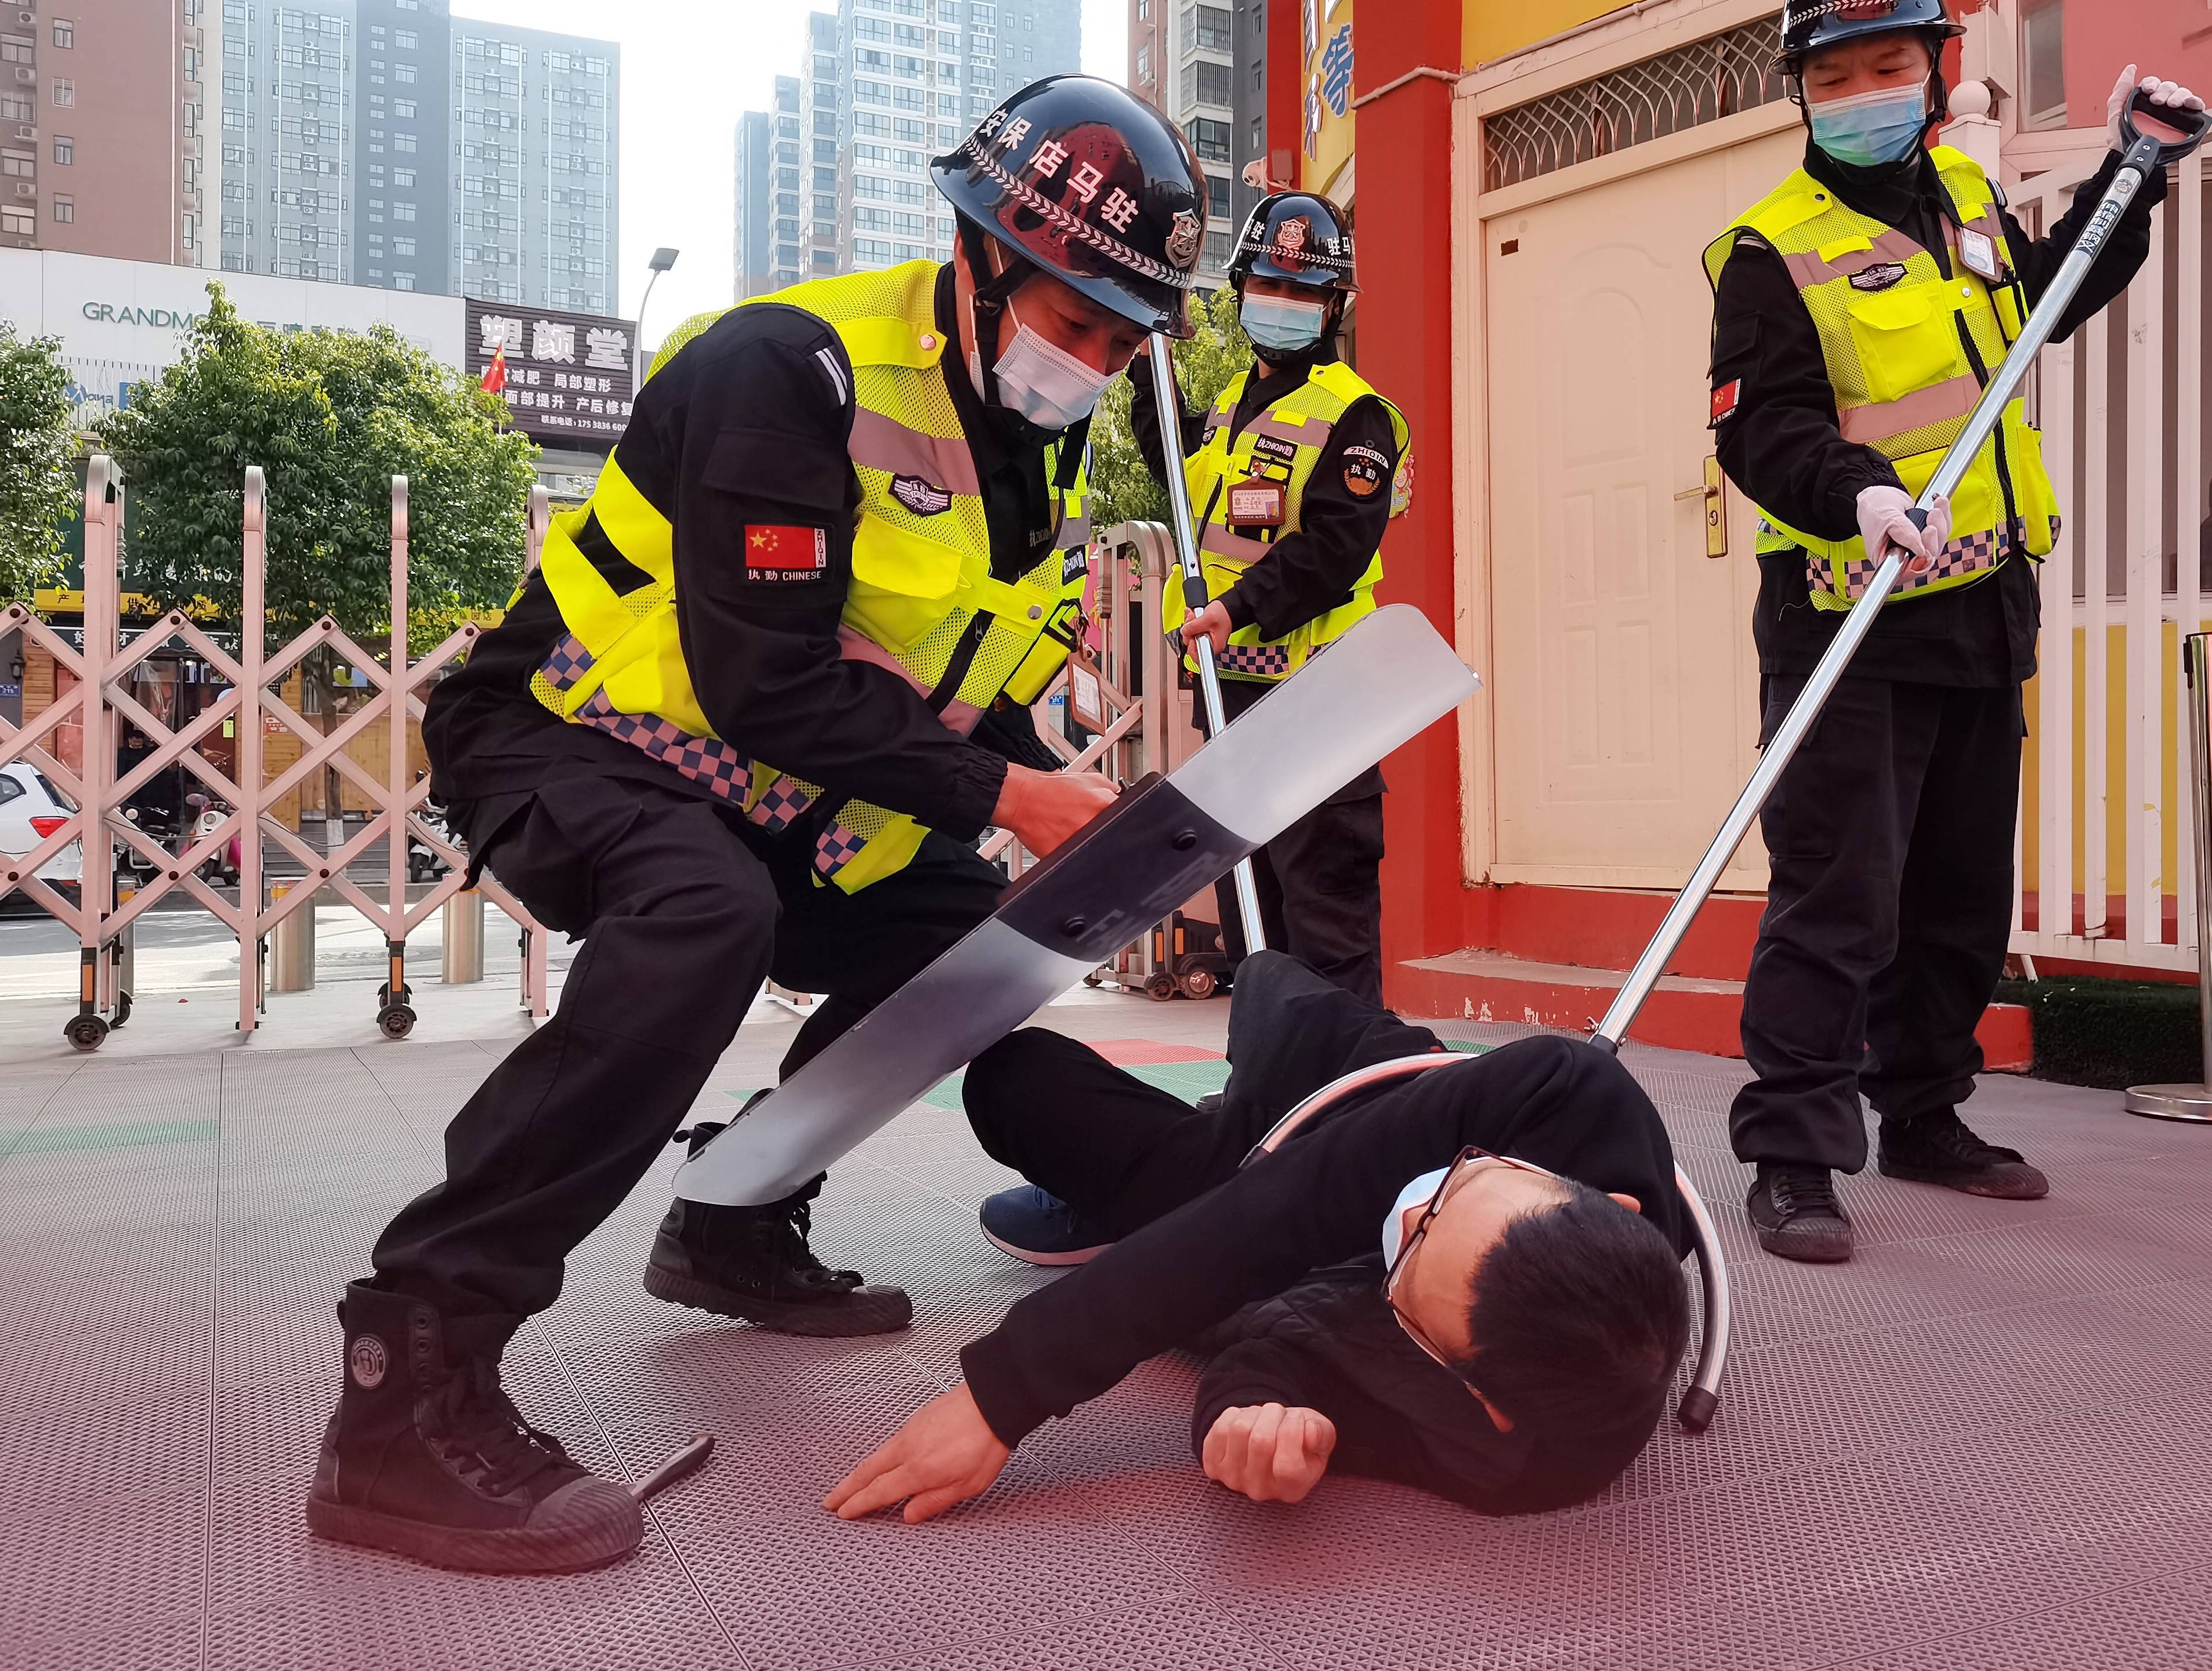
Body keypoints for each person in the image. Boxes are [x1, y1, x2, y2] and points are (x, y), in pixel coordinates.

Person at [309, 76, 1210, 1575]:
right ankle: (411, 1370)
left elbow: (949, 680)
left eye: (1123, 343)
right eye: (1077, 319)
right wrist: (1016, 796)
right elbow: (764, 682)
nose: (1093, 364)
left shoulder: (1030, 450)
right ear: (982, 255)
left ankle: (738, 1215)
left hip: (784, 791)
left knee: (974, 957)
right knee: (704, 917)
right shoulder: (787, 372)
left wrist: (1067, 800)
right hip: (575, 732)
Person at [1704, 0, 2204, 1264]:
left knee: (1960, 895)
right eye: (1838, 69)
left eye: (1892, 60)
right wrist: (1855, 491)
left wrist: (2131, 181)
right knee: (1837, 895)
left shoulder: (1970, 209)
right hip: (1846, 614)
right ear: (1803, 90)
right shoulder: (1769, 249)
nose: (1868, 85)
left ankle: (1925, 1113)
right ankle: (1795, 1155)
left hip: (1983, 606)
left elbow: (2047, 303)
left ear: (1936, 70)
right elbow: (1761, 433)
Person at [821, 951, 1693, 1522]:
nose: (1413, 1208)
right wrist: (1005, 1391)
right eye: (1468, 1180)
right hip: (1350, 1119)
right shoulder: (1566, 1093)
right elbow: (1280, 1209)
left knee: (1016, 1079)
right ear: (1608, 1202)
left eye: (1417, 1249)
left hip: (1242, 1216)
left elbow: (1279, 1350)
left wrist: (1260, 1428)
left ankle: (1121, 1214)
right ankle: (1212, 1132)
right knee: (1272, 982)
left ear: (1472, 1392)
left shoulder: (1512, 1453)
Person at [1119, 190, 1409, 1007]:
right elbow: (1177, 471)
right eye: (1269, 287)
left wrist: (1237, 609)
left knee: (1327, 929)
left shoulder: (1358, 418)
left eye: (1304, 294)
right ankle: (1269, 1101)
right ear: (1242, 289)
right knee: (1258, 928)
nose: (1282, 306)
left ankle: (1345, 1108)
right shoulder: (1230, 414)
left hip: (1320, 700)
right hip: (1236, 696)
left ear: (1334, 306)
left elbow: (1333, 552)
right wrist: (1147, 366)